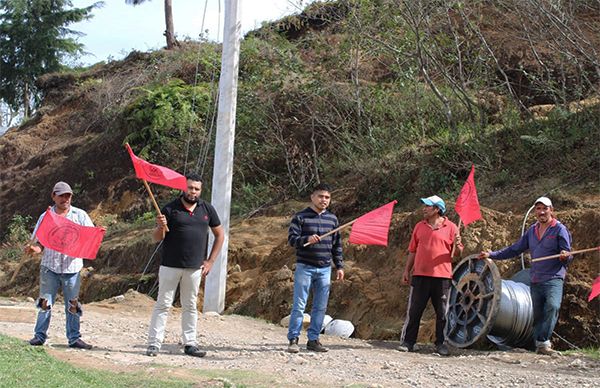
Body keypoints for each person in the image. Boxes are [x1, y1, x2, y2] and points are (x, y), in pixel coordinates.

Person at [479, 196, 572, 355]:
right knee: (536, 315)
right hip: (535, 278)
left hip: (553, 278)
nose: (541, 212)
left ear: (551, 210)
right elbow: (515, 249)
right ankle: (538, 345)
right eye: (538, 209)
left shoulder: (559, 229)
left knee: (553, 306)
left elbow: (569, 255)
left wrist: (565, 255)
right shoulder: (532, 231)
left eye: (545, 209)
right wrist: (492, 254)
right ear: (535, 211)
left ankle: (543, 342)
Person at [145, 173, 224, 358]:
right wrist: (159, 226)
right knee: (163, 305)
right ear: (183, 187)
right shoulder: (170, 208)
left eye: (196, 189)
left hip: (195, 268)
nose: (193, 192)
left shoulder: (207, 209)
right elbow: (156, 238)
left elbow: (220, 235)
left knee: (190, 306)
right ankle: (154, 344)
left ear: (200, 190)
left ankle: (190, 344)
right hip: (170, 266)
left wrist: (211, 261)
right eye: (190, 187)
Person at [26, 181, 95, 349]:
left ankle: (74, 338)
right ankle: (39, 336)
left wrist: (98, 234)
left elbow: (90, 236)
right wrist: (34, 249)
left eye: (68, 195)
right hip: (50, 266)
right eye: (61, 195)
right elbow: (39, 241)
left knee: (72, 303)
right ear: (53, 196)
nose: (65, 198)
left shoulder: (80, 215)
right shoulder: (46, 216)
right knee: (45, 302)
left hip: (72, 267)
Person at [399, 195, 462, 356]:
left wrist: (458, 244)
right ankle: (408, 342)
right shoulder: (419, 226)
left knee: (442, 313)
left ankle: (441, 343)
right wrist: (407, 270)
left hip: (442, 277)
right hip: (420, 275)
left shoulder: (452, 228)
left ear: (437, 209)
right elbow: (412, 251)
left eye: (427, 206)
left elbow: (457, 255)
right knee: (414, 311)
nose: (424, 208)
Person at [286, 183, 344, 353]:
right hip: (305, 266)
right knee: (299, 304)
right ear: (312, 197)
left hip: (325, 268)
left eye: (327, 197)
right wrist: (306, 239)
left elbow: (337, 245)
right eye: (320, 196)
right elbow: (292, 240)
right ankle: (294, 339)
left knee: (320, 306)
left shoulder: (333, 219)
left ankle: (313, 340)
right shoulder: (300, 217)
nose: (324, 200)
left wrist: (339, 266)